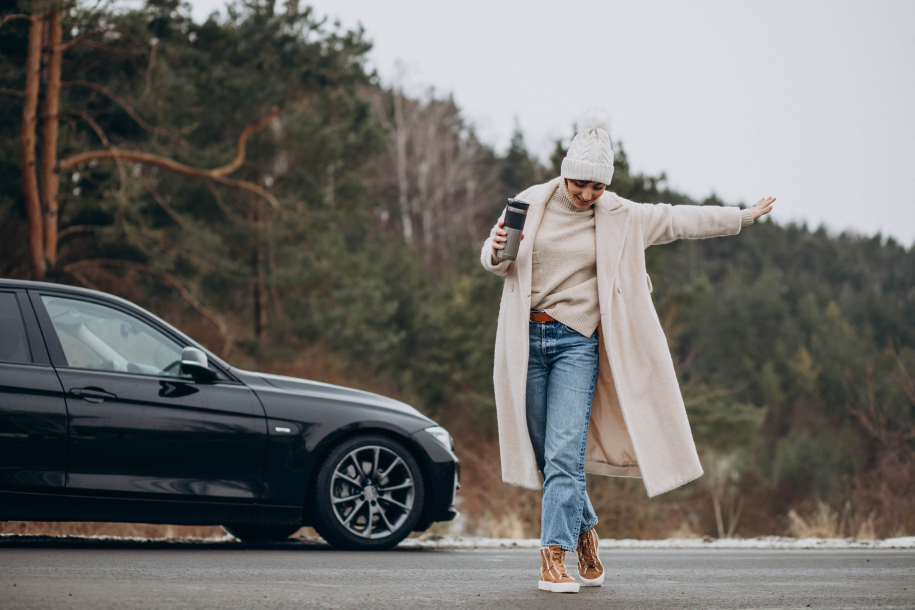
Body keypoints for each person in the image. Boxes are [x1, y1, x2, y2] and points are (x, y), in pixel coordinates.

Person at [479, 109, 774, 594]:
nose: (587, 195)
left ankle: (553, 556)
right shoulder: (530, 203)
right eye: (580, 184)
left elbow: (678, 218)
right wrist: (492, 251)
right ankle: (585, 526)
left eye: (597, 187)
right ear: (565, 171)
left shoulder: (620, 215)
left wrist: (740, 216)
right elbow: (496, 260)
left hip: (577, 342)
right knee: (543, 451)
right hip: (525, 341)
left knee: (563, 453)